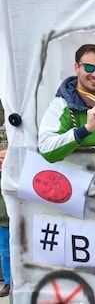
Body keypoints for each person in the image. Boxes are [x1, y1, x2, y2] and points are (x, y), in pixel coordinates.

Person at [38, 44, 95, 163]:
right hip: (78, 178)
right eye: (89, 68)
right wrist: (85, 130)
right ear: (76, 67)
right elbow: (46, 149)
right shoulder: (62, 104)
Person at [0, 125, 11, 297]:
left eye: (4, 157)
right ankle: (9, 283)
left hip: (19, 220)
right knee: (5, 253)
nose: (2, 161)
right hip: (3, 222)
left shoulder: (16, 174)